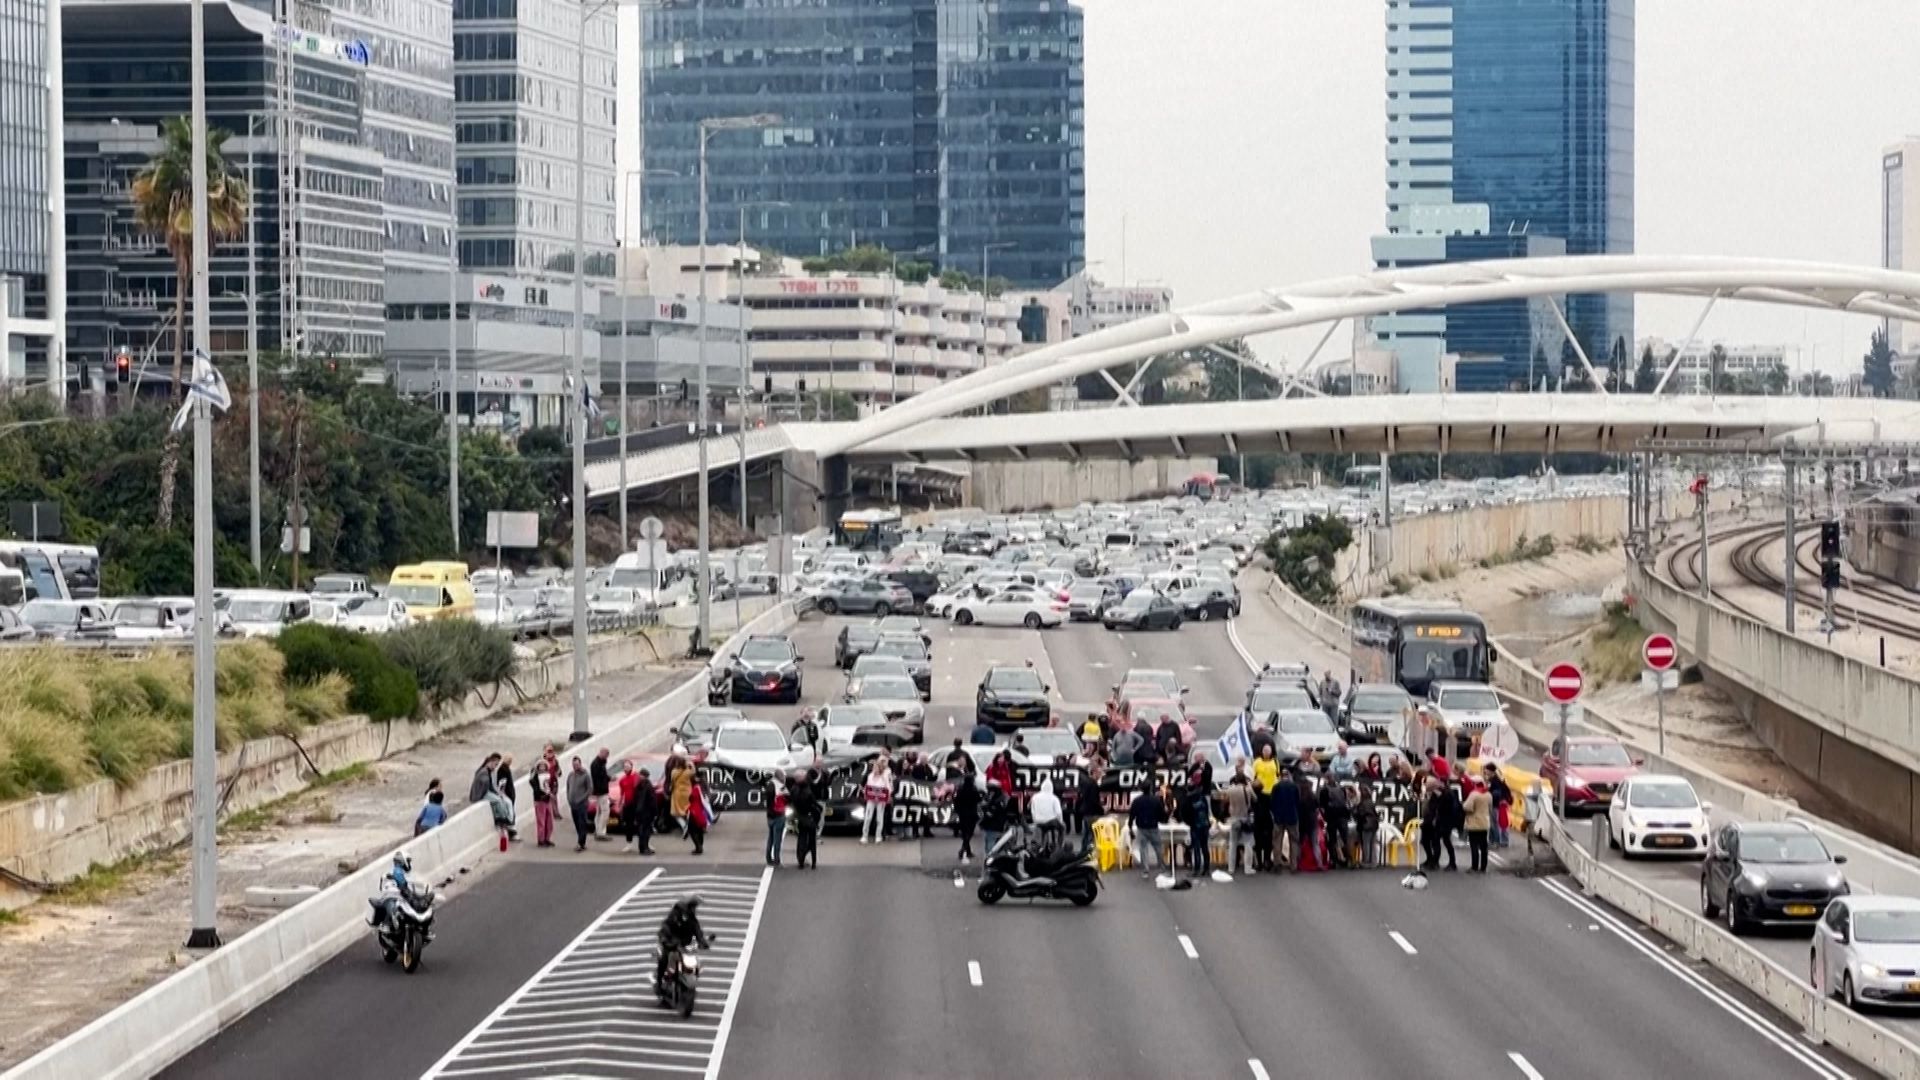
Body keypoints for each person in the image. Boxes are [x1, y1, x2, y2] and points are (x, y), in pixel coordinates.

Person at [654, 897, 714, 988]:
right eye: (693, 907)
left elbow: (698, 933)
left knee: (695, 962)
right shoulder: (675, 916)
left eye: (695, 907)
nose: (694, 909)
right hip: (670, 944)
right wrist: (666, 939)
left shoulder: (692, 921)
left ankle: (690, 978)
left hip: (684, 946)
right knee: (664, 959)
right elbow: (666, 927)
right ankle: (659, 982)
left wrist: (704, 943)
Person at [1220, 762, 1255, 874]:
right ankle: (1248, 868)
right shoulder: (1247, 790)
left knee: (1232, 844)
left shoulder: (1230, 790)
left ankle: (1231, 868)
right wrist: (1249, 786)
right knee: (1248, 843)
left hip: (1234, 819)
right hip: (1245, 819)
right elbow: (1255, 799)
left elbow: (1224, 800)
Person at [1184, 764, 1213, 877]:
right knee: (1205, 847)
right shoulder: (1202, 797)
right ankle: (1206, 868)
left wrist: (1189, 822)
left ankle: (1196, 868)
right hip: (1204, 824)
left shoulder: (1188, 799)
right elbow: (1207, 810)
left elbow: (1185, 813)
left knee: (1196, 848)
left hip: (1195, 825)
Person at [1129, 786, 1165, 879]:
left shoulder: (1137, 801)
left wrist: (1130, 826)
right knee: (1158, 847)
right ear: (1150, 789)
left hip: (1142, 827)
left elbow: (1132, 814)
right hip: (1153, 827)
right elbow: (1161, 813)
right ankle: (1161, 867)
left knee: (1143, 849)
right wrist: (1162, 819)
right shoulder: (1156, 800)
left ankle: (1145, 870)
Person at [791, 770, 823, 869]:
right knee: (812, 840)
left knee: (801, 838)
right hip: (809, 817)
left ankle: (800, 860)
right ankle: (813, 862)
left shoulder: (793, 789)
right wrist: (818, 811)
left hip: (800, 816)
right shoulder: (807, 790)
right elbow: (814, 803)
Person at [1272, 768, 1301, 872]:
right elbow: (1298, 802)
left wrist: (1275, 813)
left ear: (1280, 776)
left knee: (1277, 841)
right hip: (1292, 817)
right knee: (1293, 841)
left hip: (1279, 818)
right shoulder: (1294, 787)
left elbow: (1272, 802)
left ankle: (1277, 863)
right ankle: (1293, 865)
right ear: (1289, 776)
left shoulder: (1276, 787)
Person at [860, 754, 893, 844]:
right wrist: (865, 792)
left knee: (879, 818)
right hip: (871, 799)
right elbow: (866, 787)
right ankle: (864, 836)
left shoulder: (884, 777)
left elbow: (889, 788)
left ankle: (878, 836)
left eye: (876, 767)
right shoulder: (870, 776)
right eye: (874, 767)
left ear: (880, 768)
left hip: (881, 800)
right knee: (868, 817)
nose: (874, 769)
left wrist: (887, 795)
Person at [1463, 778, 1493, 873]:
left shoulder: (1474, 794)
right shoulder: (1488, 794)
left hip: (1474, 823)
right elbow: (1490, 808)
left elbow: (1467, 807)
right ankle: (1483, 867)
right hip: (1484, 822)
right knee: (1483, 846)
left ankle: (1474, 867)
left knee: (1474, 845)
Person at [1321, 779, 1352, 869]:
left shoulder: (1325, 790)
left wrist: (1325, 816)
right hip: (1343, 816)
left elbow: (1322, 806)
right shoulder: (1342, 789)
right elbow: (1346, 802)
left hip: (1331, 817)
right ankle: (1349, 860)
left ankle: (1334, 861)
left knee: (1332, 840)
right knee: (1345, 839)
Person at [627, 767, 658, 855]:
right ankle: (645, 848)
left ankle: (642, 848)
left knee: (641, 831)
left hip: (639, 812)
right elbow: (652, 800)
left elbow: (635, 799)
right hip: (647, 812)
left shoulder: (638, 785)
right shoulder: (648, 786)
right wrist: (655, 812)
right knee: (646, 831)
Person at [1029, 777, 1065, 850]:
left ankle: (1041, 845)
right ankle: (1059, 846)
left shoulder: (1035, 797)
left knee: (1043, 829)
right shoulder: (1054, 798)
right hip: (1051, 822)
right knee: (1063, 827)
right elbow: (1059, 813)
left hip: (1038, 821)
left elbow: (1032, 810)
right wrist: (1060, 821)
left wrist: (1035, 820)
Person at [1073, 764, 1104, 846]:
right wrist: (1102, 810)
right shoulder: (1093, 785)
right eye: (1099, 773)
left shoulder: (1085, 782)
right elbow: (1094, 801)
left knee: (1087, 834)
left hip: (1085, 811)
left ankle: (1083, 849)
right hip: (1092, 813)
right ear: (1094, 772)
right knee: (1092, 835)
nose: (1100, 775)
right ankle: (1089, 850)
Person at [1484, 764, 1514, 849]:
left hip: (1496, 804)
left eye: (1486, 770)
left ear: (1491, 771)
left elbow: (1497, 793)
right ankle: (1492, 840)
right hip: (1494, 804)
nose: (1485, 771)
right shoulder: (1492, 779)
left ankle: (1496, 841)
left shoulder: (1495, 781)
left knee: (1495, 824)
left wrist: (1489, 794)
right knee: (1493, 823)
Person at [954, 771, 981, 864]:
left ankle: (967, 850)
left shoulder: (960, 789)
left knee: (965, 831)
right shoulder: (974, 789)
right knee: (970, 832)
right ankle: (963, 849)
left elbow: (956, 801)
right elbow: (978, 799)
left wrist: (957, 810)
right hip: (972, 813)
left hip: (962, 813)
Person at [567, 756, 592, 852]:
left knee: (582, 824)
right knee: (577, 823)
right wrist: (569, 798)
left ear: (580, 764)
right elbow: (568, 787)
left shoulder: (585, 775)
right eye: (574, 765)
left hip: (582, 804)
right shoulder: (571, 775)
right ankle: (581, 842)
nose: (575, 766)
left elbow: (589, 789)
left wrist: (581, 799)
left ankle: (580, 843)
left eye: (577, 764)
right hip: (573, 804)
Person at [529, 757, 557, 848]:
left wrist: (551, 793)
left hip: (547, 800)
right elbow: (535, 786)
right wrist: (542, 795)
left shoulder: (547, 775)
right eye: (540, 766)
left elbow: (550, 785)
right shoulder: (535, 777)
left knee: (549, 821)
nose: (542, 767)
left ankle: (547, 838)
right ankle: (541, 840)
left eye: (543, 766)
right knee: (541, 821)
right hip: (540, 800)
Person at [1251, 777, 1276, 872]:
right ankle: (1267, 861)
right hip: (1267, 821)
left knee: (1258, 844)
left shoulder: (1253, 799)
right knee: (1268, 844)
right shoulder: (1267, 797)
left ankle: (1259, 864)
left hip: (1257, 822)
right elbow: (1271, 808)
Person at [1354, 786, 1382, 868]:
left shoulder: (1362, 804)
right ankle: (1373, 861)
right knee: (1372, 843)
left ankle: (1366, 861)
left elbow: (1360, 814)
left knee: (1366, 843)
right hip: (1374, 824)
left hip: (1365, 824)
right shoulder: (1371, 802)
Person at [764, 776, 788, 867]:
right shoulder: (781, 787)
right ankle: (777, 860)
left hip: (770, 816)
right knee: (777, 839)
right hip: (779, 815)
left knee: (770, 838)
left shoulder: (769, 785)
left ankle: (768, 858)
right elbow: (787, 798)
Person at [590, 749, 614, 841]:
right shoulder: (597, 764)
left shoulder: (599, 763)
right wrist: (608, 779)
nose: (606, 757)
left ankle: (598, 830)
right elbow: (600, 777)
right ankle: (601, 832)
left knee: (599, 811)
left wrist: (609, 778)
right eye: (606, 755)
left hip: (599, 791)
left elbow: (602, 776)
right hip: (601, 791)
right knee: (605, 811)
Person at [686, 773, 711, 855]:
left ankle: (698, 847)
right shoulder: (699, 788)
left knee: (692, 830)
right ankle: (700, 846)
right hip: (699, 811)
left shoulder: (695, 789)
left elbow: (692, 798)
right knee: (699, 829)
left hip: (694, 811)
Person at [669, 755, 694, 835]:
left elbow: (672, 782)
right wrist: (690, 764)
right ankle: (689, 825)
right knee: (687, 810)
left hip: (677, 793)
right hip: (687, 793)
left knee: (676, 813)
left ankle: (684, 826)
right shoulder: (688, 772)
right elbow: (693, 772)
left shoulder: (674, 772)